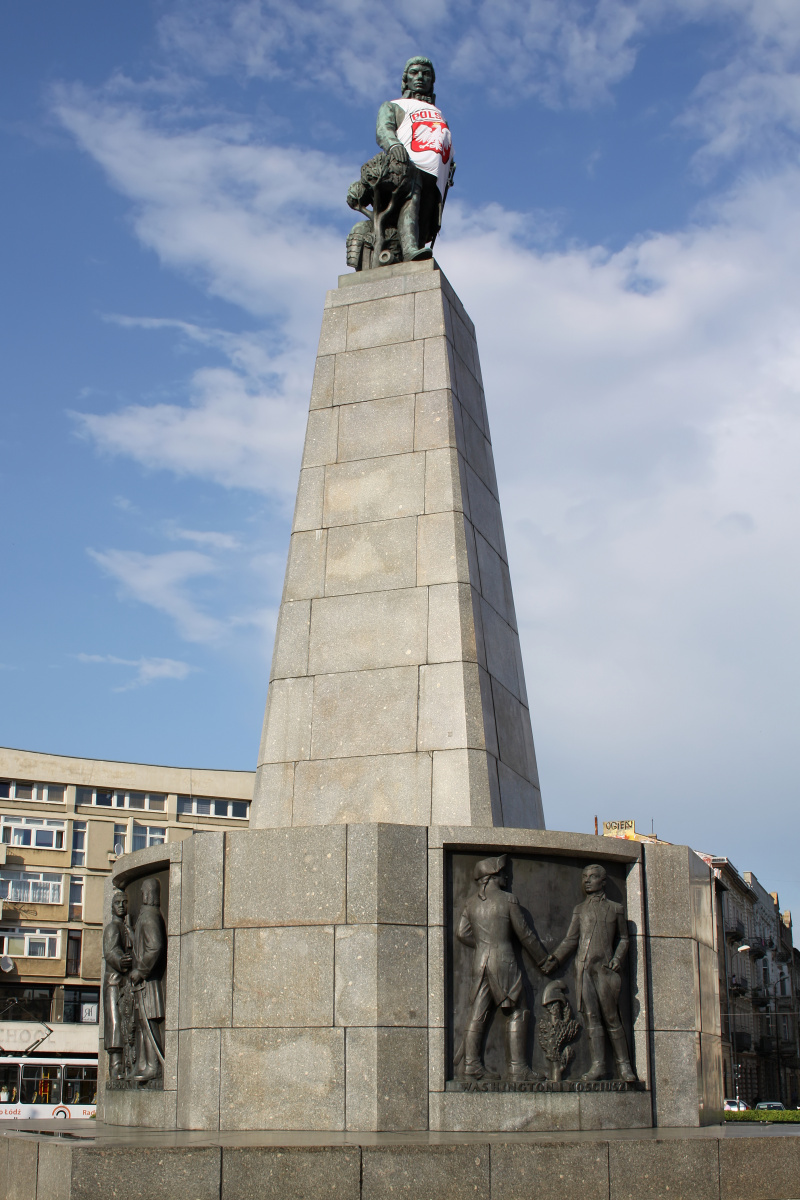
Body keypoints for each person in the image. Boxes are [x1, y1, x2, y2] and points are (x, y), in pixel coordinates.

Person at [456, 854, 549, 1081]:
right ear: (491, 877)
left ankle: (471, 1065)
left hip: (480, 963)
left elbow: (462, 933)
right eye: (501, 873)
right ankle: (518, 1069)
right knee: (519, 1010)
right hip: (504, 962)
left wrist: (481, 945)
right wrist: (543, 960)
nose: (506, 876)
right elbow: (525, 935)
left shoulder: (470, 903)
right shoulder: (508, 900)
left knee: (478, 1014)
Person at [542, 863, 637, 1082]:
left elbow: (623, 938)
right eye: (584, 876)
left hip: (604, 970)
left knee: (612, 1018)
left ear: (602, 881)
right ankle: (599, 1066)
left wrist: (617, 959)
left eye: (592, 877)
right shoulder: (580, 909)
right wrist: (555, 959)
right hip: (583, 969)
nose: (586, 880)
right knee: (592, 1018)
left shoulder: (615, 908)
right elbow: (571, 939)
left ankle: (624, 1067)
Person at [130, 876, 167, 1083]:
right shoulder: (146, 915)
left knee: (150, 1024)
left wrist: (141, 971)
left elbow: (155, 947)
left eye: (144, 891)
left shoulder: (150, 916)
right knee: (144, 1025)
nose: (142, 894)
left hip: (149, 982)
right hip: (143, 983)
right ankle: (144, 1064)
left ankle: (154, 1066)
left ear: (148, 893)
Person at [102, 888, 132, 1081]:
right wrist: (121, 961)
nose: (121, 906)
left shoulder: (127, 928)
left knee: (124, 1024)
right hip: (114, 983)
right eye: (117, 903)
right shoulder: (113, 928)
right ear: (112, 907)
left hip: (124, 983)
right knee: (115, 1024)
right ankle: (115, 1067)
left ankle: (125, 1065)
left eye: (124, 902)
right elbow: (111, 952)